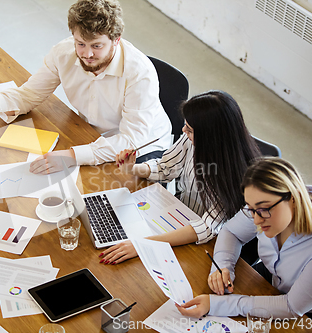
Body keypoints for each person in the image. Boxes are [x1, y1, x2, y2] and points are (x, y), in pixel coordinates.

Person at [0, 0, 172, 174]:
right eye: (80, 44)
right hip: (90, 133)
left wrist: (71, 156)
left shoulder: (140, 73)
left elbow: (131, 139)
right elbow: (28, 95)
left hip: (142, 147)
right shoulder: (63, 53)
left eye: (97, 46)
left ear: (116, 40)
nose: (87, 54)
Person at [99, 91, 260, 264]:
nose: (183, 131)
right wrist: (132, 168)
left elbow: (206, 228)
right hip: (176, 216)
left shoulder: (235, 176)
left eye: (189, 130)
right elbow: (165, 167)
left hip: (201, 244)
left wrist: (143, 245)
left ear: (210, 137)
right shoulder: (190, 140)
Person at [177, 157, 312, 320]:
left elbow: (291, 307)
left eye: (263, 210)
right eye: (251, 210)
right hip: (274, 279)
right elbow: (231, 232)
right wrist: (223, 266)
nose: (257, 220)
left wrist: (216, 304)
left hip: (308, 310)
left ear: (293, 198)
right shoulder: (261, 205)